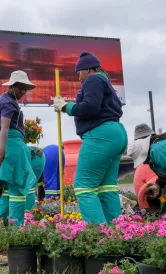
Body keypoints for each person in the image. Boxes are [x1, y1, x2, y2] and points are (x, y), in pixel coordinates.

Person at [53, 51, 128, 224]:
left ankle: (99, 237)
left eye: (79, 72)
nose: (78, 77)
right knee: (106, 188)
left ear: (87, 69)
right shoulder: (105, 81)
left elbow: (90, 107)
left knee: (84, 187)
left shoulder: (93, 79)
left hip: (100, 135)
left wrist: (67, 107)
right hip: (115, 133)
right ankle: (116, 233)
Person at [0, 70, 37, 226]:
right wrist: (2, 150)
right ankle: (16, 229)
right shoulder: (9, 102)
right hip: (11, 146)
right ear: (12, 86)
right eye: (21, 88)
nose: (23, 92)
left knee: (9, 191)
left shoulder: (4, 99)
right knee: (19, 189)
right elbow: (5, 128)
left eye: (25, 89)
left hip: (8, 145)